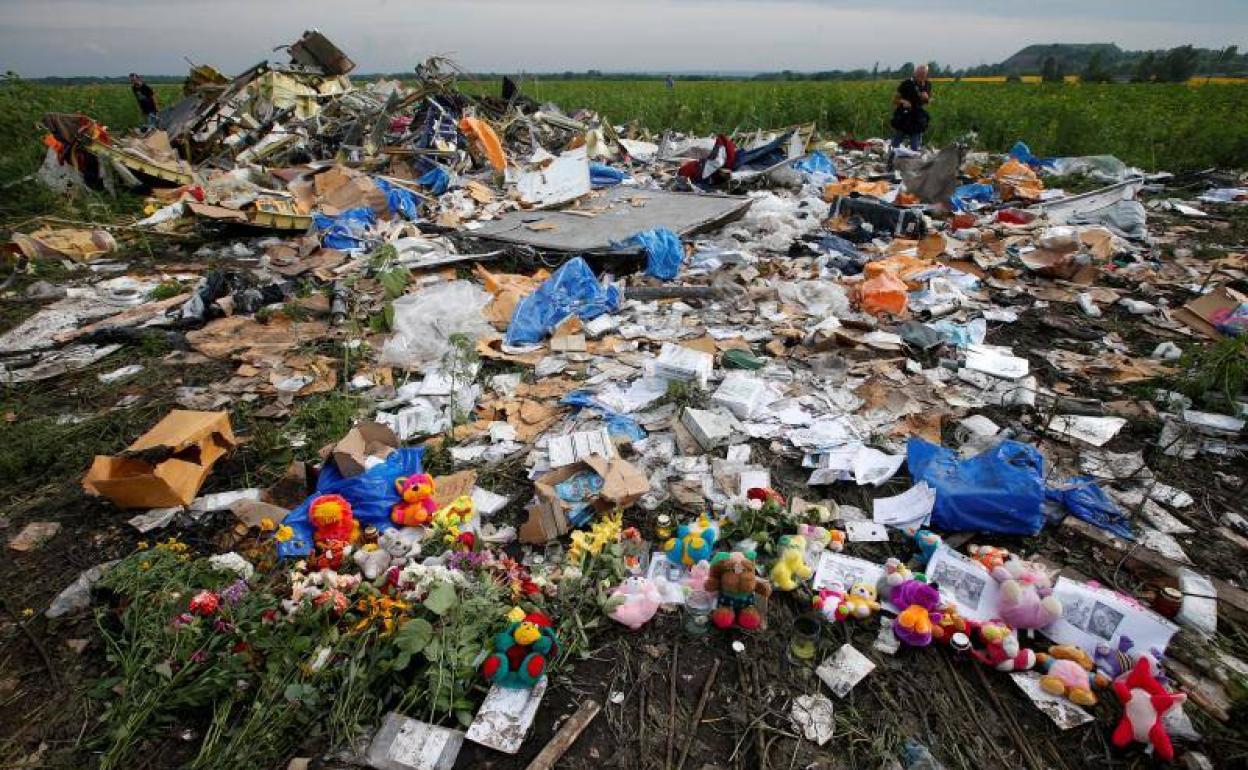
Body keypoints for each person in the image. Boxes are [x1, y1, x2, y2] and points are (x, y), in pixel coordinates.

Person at [889, 64, 932, 152]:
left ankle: (914, 157)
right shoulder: (906, 83)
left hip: (917, 117)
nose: (921, 76)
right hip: (904, 115)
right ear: (915, 73)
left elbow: (928, 100)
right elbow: (894, 100)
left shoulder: (927, 84)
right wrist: (903, 101)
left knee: (915, 145)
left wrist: (927, 98)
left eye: (923, 74)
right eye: (919, 74)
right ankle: (891, 156)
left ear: (926, 74)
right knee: (896, 141)